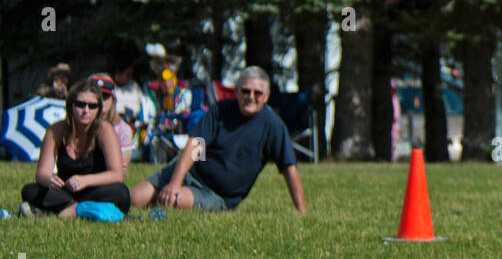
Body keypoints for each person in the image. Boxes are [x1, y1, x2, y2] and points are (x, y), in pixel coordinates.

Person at [130, 66, 307, 213]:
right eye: (246, 91)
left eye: (257, 93)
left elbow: (289, 168)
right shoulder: (220, 110)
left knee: (174, 200)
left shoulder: (273, 126)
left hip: (216, 196)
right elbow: (195, 143)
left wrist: (302, 213)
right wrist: (175, 181)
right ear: (237, 91)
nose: (251, 97)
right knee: (133, 198)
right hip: (191, 171)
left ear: (266, 96)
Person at [19, 79, 130, 217]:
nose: (85, 111)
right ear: (70, 105)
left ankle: (64, 210)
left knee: (121, 193)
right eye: (80, 104)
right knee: (29, 191)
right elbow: (41, 174)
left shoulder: (104, 130)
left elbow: (116, 174)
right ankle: (76, 208)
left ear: (98, 109)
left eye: (92, 106)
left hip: (95, 190)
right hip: (64, 191)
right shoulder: (56, 130)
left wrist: (85, 180)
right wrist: (50, 180)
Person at [89, 73, 136, 165]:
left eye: (105, 96)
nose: (101, 101)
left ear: (113, 100)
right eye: (96, 96)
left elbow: (121, 169)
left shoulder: (123, 129)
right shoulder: (78, 124)